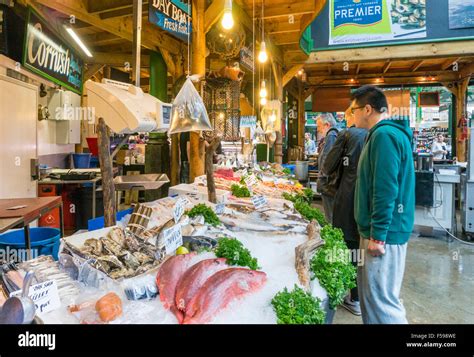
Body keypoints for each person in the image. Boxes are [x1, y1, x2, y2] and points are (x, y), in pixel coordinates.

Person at [352, 85, 415, 324]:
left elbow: (386, 188)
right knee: (374, 300)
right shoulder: (384, 134)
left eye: (353, 110)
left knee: (382, 304)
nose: (351, 115)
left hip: (383, 235)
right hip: (382, 232)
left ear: (367, 109)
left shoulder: (384, 136)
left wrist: (378, 235)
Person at [322, 110, 367, 316]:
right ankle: (360, 296)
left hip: (347, 196)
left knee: (344, 243)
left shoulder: (347, 134)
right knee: (360, 245)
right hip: (368, 200)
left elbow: (327, 166)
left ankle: (348, 295)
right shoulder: (377, 134)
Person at [316, 113, 339, 223]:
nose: (318, 129)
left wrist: (321, 179)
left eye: (319, 126)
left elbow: (327, 160)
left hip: (328, 184)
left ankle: (332, 238)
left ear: (327, 125)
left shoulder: (331, 136)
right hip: (328, 184)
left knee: (330, 217)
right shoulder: (332, 135)